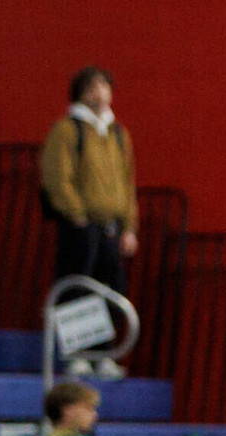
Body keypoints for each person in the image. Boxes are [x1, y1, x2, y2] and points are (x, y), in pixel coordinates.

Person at [40, 65, 138, 347]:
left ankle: (101, 350)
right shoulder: (67, 130)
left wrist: (130, 227)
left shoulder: (119, 134)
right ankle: (79, 350)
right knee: (77, 288)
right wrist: (78, 215)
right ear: (81, 93)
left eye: (105, 86)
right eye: (93, 87)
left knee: (112, 288)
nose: (101, 93)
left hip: (110, 226)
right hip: (80, 225)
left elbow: (127, 182)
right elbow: (58, 177)